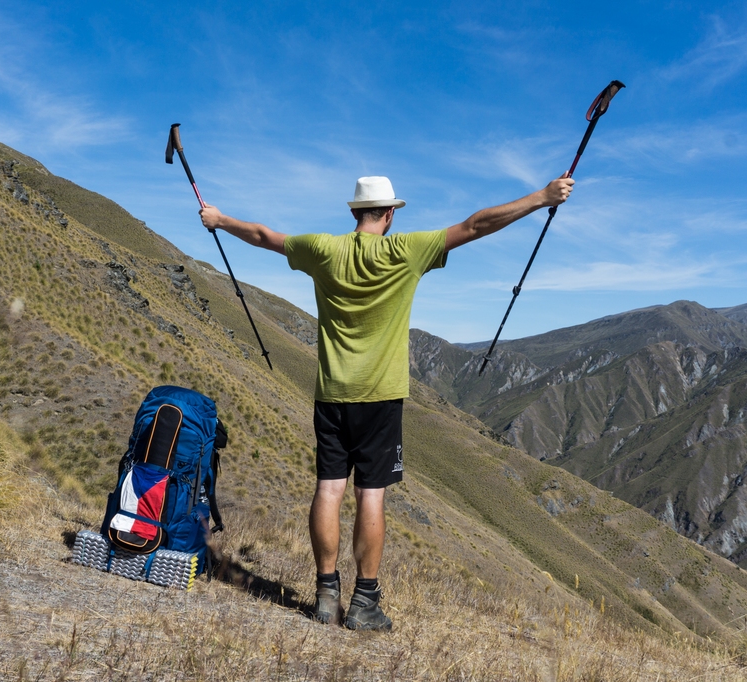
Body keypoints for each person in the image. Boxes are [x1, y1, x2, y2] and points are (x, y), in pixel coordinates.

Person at [199, 173, 573, 631]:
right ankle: (364, 603)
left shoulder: (322, 249)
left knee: (329, 490)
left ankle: (324, 593)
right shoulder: (405, 251)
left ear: (354, 212)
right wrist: (542, 198)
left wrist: (218, 219)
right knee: (369, 495)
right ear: (391, 213)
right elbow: (476, 226)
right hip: (380, 396)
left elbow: (262, 236)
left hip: (332, 392)